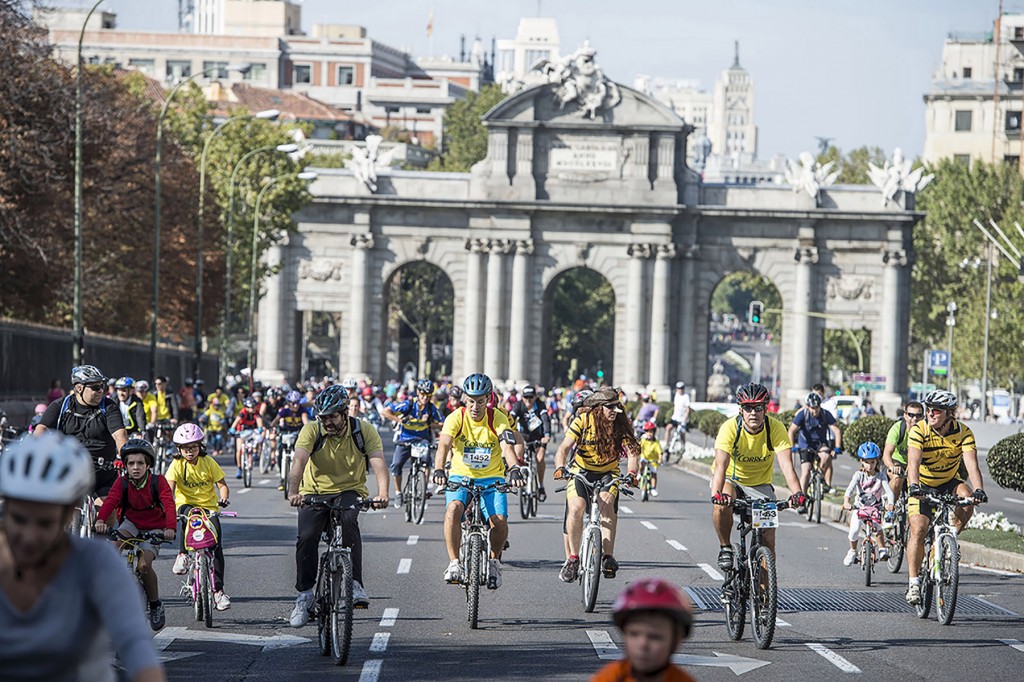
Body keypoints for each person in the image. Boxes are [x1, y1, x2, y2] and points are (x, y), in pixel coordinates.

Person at [0, 432, 165, 682]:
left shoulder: (98, 562)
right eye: (19, 520)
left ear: (69, 515)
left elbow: (136, 646)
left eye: (45, 523)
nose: (30, 536)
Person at [287, 385, 390, 626]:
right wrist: (293, 492)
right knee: (307, 537)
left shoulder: (363, 431)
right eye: (323, 418)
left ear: (345, 413)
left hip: (349, 490)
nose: (328, 422)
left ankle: (355, 584)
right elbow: (299, 460)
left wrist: (383, 494)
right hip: (314, 492)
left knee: (349, 520)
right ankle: (304, 596)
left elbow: (378, 462)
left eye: (333, 417)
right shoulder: (312, 430)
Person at [431, 373, 525, 588]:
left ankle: (494, 562)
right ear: (465, 398)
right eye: (471, 401)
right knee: (453, 510)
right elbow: (443, 445)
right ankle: (454, 563)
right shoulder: (455, 417)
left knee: (499, 522)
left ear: (488, 399)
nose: (475, 407)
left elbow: (507, 447)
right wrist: (438, 470)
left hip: (491, 478)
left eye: (480, 401)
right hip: (460, 476)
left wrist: (514, 469)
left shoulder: (498, 418)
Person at [710, 383, 805, 570]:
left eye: (758, 407)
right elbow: (721, 465)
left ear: (765, 409)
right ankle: (725, 547)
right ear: (741, 410)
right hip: (732, 479)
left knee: (768, 541)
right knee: (721, 504)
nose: (753, 413)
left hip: (760, 485)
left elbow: (787, 465)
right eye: (748, 408)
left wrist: (797, 493)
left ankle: (764, 587)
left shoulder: (775, 428)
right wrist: (716, 494)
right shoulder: (730, 428)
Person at [904, 389, 986, 605]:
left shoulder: (964, 432)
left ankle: (949, 538)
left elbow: (972, 465)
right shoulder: (919, 430)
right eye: (928, 409)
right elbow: (913, 462)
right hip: (922, 484)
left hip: (948, 482)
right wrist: (914, 487)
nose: (930, 414)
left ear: (949, 413)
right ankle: (914, 583)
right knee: (919, 528)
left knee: (967, 496)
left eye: (936, 410)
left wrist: (979, 489)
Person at [553, 386, 641, 583]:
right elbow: (564, 448)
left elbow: (633, 452)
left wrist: (632, 473)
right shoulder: (583, 420)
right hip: (581, 472)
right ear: (599, 408)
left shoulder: (620, 424)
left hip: (608, 473)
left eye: (617, 407)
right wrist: (560, 467)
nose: (614, 411)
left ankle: (608, 557)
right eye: (610, 407)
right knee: (576, 508)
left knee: (607, 506)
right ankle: (573, 559)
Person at [94, 438, 177, 630]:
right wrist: (100, 520)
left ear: (148, 465)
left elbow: (169, 504)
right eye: (131, 463)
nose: (136, 467)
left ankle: (155, 604)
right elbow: (110, 501)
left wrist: (170, 528)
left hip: (154, 527)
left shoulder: (158, 481)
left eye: (140, 463)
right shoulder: (122, 482)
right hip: (131, 523)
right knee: (112, 548)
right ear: (125, 465)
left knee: (144, 565)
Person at [164, 423, 232, 611]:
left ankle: (218, 592)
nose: (189, 451)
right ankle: (183, 555)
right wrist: (168, 507)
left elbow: (222, 486)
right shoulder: (177, 464)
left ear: (200, 446)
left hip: (209, 507)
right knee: (188, 517)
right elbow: (169, 488)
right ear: (179, 449)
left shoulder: (209, 462)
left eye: (193, 447)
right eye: (185, 448)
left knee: (216, 545)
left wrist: (223, 498)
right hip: (186, 505)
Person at [35, 364, 128, 498]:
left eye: (102, 386)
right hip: (68, 470)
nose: (101, 391)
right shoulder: (60, 406)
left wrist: (126, 457)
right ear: (79, 388)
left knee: (104, 508)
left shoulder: (108, 406)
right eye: (95, 387)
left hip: (102, 472)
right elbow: (41, 430)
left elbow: (120, 436)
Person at [590, 579, 696, 682]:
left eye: (655, 637)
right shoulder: (609, 678)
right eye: (634, 634)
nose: (643, 644)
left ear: (676, 641)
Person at [381, 379, 444, 507]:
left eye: (428, 395)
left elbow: (442, 423)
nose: (425, 398)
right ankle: (398, 492)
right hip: (406, 438)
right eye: (423, 394)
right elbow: (385, 412)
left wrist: (429, 423)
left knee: (427, 462)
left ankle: (424, 488)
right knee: (396, 464)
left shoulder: (431, 408)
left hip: (422, 439)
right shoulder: (408, 404)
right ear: (418, 393)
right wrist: (399, 420)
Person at [841, 442, 893, 566]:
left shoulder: (881, 476)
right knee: (854, 531)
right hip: (860, 508)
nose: (870, 465)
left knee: (878, 527)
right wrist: (846, 501)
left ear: (877, 462)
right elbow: (850, 489)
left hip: (875, 508)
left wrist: (890, 504)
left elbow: (889, 491)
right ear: (861, 461)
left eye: (872, 462)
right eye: (866, 462)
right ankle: (853, 550)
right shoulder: (859, 475)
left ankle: (882, 549)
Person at [788, 392, 842, 504]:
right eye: (812, 408)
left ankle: (820, 475)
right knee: (806, 471)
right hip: (805, 444)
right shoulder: (803, 414)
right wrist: (792, 446)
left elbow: (836, 430)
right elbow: (791, 430)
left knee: (826, 456)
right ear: (808, 406)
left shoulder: (825, 414)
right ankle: (801, 499)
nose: (815, 410)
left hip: (820, 444)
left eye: (817, 407)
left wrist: (837, 447)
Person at [511, 384, 553, 502]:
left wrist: (547, 435)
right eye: (526, 397)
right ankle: (521, 474)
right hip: (523, 436)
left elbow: (545, 419)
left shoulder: (540, 405)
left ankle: (540, 485)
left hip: (538, 437)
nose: (528, 400)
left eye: (531, 397)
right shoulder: (518, 405)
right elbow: (511, 418)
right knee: (518, 454)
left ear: (535, 397)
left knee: (539, 459)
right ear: (522, 398)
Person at [882, 400, 923, 501]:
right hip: (897, 462)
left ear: (923, 417)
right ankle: (890, 506)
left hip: (916, 464)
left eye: (918, 415)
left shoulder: (925, 431)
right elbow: (887, 454)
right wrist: (892, 466)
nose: (914, 419)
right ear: (905, 415)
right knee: (897, 478)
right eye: (911, 415)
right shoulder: (898, 428)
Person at [229, 397, 264, 479]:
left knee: (258, 438)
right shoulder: (243, 413)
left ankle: (255, 453)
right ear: (247, 407)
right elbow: (236, 421)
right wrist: (232, 428)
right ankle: (239, 468)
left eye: (254, 407)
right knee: (239, 449)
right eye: (252, 407)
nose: (254, 409)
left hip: (251, 431)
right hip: (241, 431)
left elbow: (259, 420)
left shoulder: (256, 413)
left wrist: (260, 428)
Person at [663, 382, 690, 453]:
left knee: (682, 433)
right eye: (678, 388)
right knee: (668, 428)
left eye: (681, 388)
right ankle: (666, 444)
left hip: (682, 419)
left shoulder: (686, 396)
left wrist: (685, 419)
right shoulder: (676, 395)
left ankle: (683, 446)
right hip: (675, 417)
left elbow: (687, 409)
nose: (680, 390)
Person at [639, 421, 663, 497]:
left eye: (651, 432)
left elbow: (660, 452)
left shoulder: (656, 443)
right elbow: (639, 447)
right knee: (641, 464)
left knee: (653, 473)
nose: (649, 434)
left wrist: (660, 459)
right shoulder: (643, 440)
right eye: (647, 432)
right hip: (644, 458)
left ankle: (653, 488)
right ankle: (639, 474)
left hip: (653, 461)